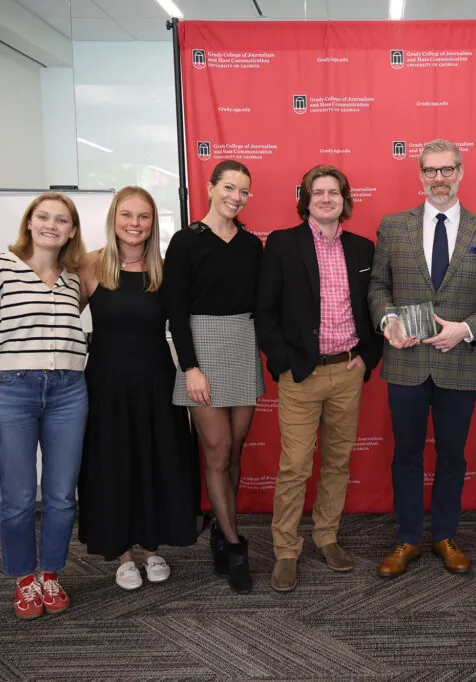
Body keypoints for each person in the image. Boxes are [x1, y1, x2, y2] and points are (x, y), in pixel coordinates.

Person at [367, 138, 476, 578]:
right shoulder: (393, 227)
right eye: (430, 171)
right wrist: (388, 320)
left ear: (461, 171)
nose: (439, 179)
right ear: (420, 175)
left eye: (447, 169)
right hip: (406, 363)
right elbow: (377, 287)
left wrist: (466, 330)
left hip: (460, 362)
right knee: (406, 455)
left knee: (452, 455)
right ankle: (409, 537)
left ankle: (445, 534)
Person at [255, 165, 382, 592]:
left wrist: (367, 356)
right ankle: (286, 550)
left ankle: (326, 536)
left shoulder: (364, 249)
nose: (326, 199)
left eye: (334, 192)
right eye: (318, 192)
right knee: (294, 466)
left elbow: (377, 308)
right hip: (301, 375)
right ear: (306, 200)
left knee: (338, 462)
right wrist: (284, 364)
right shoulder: (282, 244)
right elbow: (265, 312)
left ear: (345, 200)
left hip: (348, 371)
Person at [0, 192, 88, 619]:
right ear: (30, 222)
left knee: (61, 494)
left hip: (70, 391)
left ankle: (50, 574)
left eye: (62, 220)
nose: (52, 225)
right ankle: (23, 579)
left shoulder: (75, 277)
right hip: (12, 392)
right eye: (44, 217)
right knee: (18, 496)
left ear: (72, 230)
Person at [77, 186, 198, 591]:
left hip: (155, 383)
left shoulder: (162, 270)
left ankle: (151, 547)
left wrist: (195, 369)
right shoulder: (91, 266)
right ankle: (123, 554)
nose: (134, 224)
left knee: (154, 463)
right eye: (127, 215)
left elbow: (181, 327)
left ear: (153, 224)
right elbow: (59, 315)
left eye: (143, 217)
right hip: (106, 385)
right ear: (114, 219)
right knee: (114, 464)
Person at [162, 160, 264, 593]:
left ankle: (222, 532)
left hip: (242, 345)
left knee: (236, 452)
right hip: (201, 349)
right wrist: (190, 368)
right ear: (210, 187)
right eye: (228, 187)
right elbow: (175, 313)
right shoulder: (185, 241)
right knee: (218, 454)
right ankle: (236, 544)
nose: (235, 197)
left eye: (243, 191)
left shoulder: (251, 244)